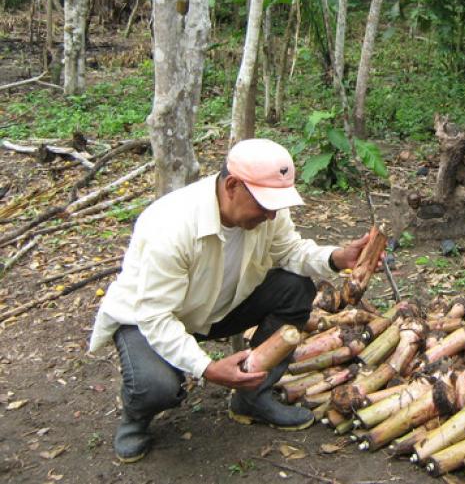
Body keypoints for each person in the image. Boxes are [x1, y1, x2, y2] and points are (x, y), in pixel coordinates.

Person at [89, 138, 373, 463]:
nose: (270, 215)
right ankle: (136, 419)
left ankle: (252, 396)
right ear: (233, 185)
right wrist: (207, 368)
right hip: (147, 318)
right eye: (264, 204)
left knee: (295, 288)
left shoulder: (269, 212)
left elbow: (289, 251)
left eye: (275, 205)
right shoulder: (171, 226)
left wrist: (337, 257)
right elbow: (155, 316)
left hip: (215, 307)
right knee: (156, 387)